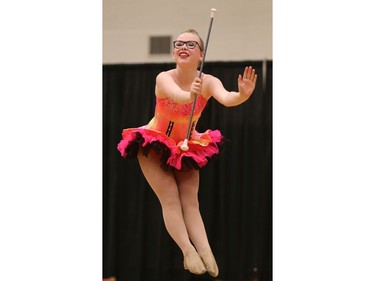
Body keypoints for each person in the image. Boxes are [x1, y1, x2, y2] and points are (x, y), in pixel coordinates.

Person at [117, 29, 257, 277]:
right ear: (173, 51)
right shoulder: (164, 77)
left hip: (186, 145)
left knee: (191, 201)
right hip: (154, 143)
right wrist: (190, 94)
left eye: (191, 44)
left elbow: (226, 98)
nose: (183, 47)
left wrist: (242, 96)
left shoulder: (208, 81)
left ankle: (205, 250)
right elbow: (177, 96)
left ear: (201, 54)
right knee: (170, 198)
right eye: (179, 43)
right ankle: (187, 251)